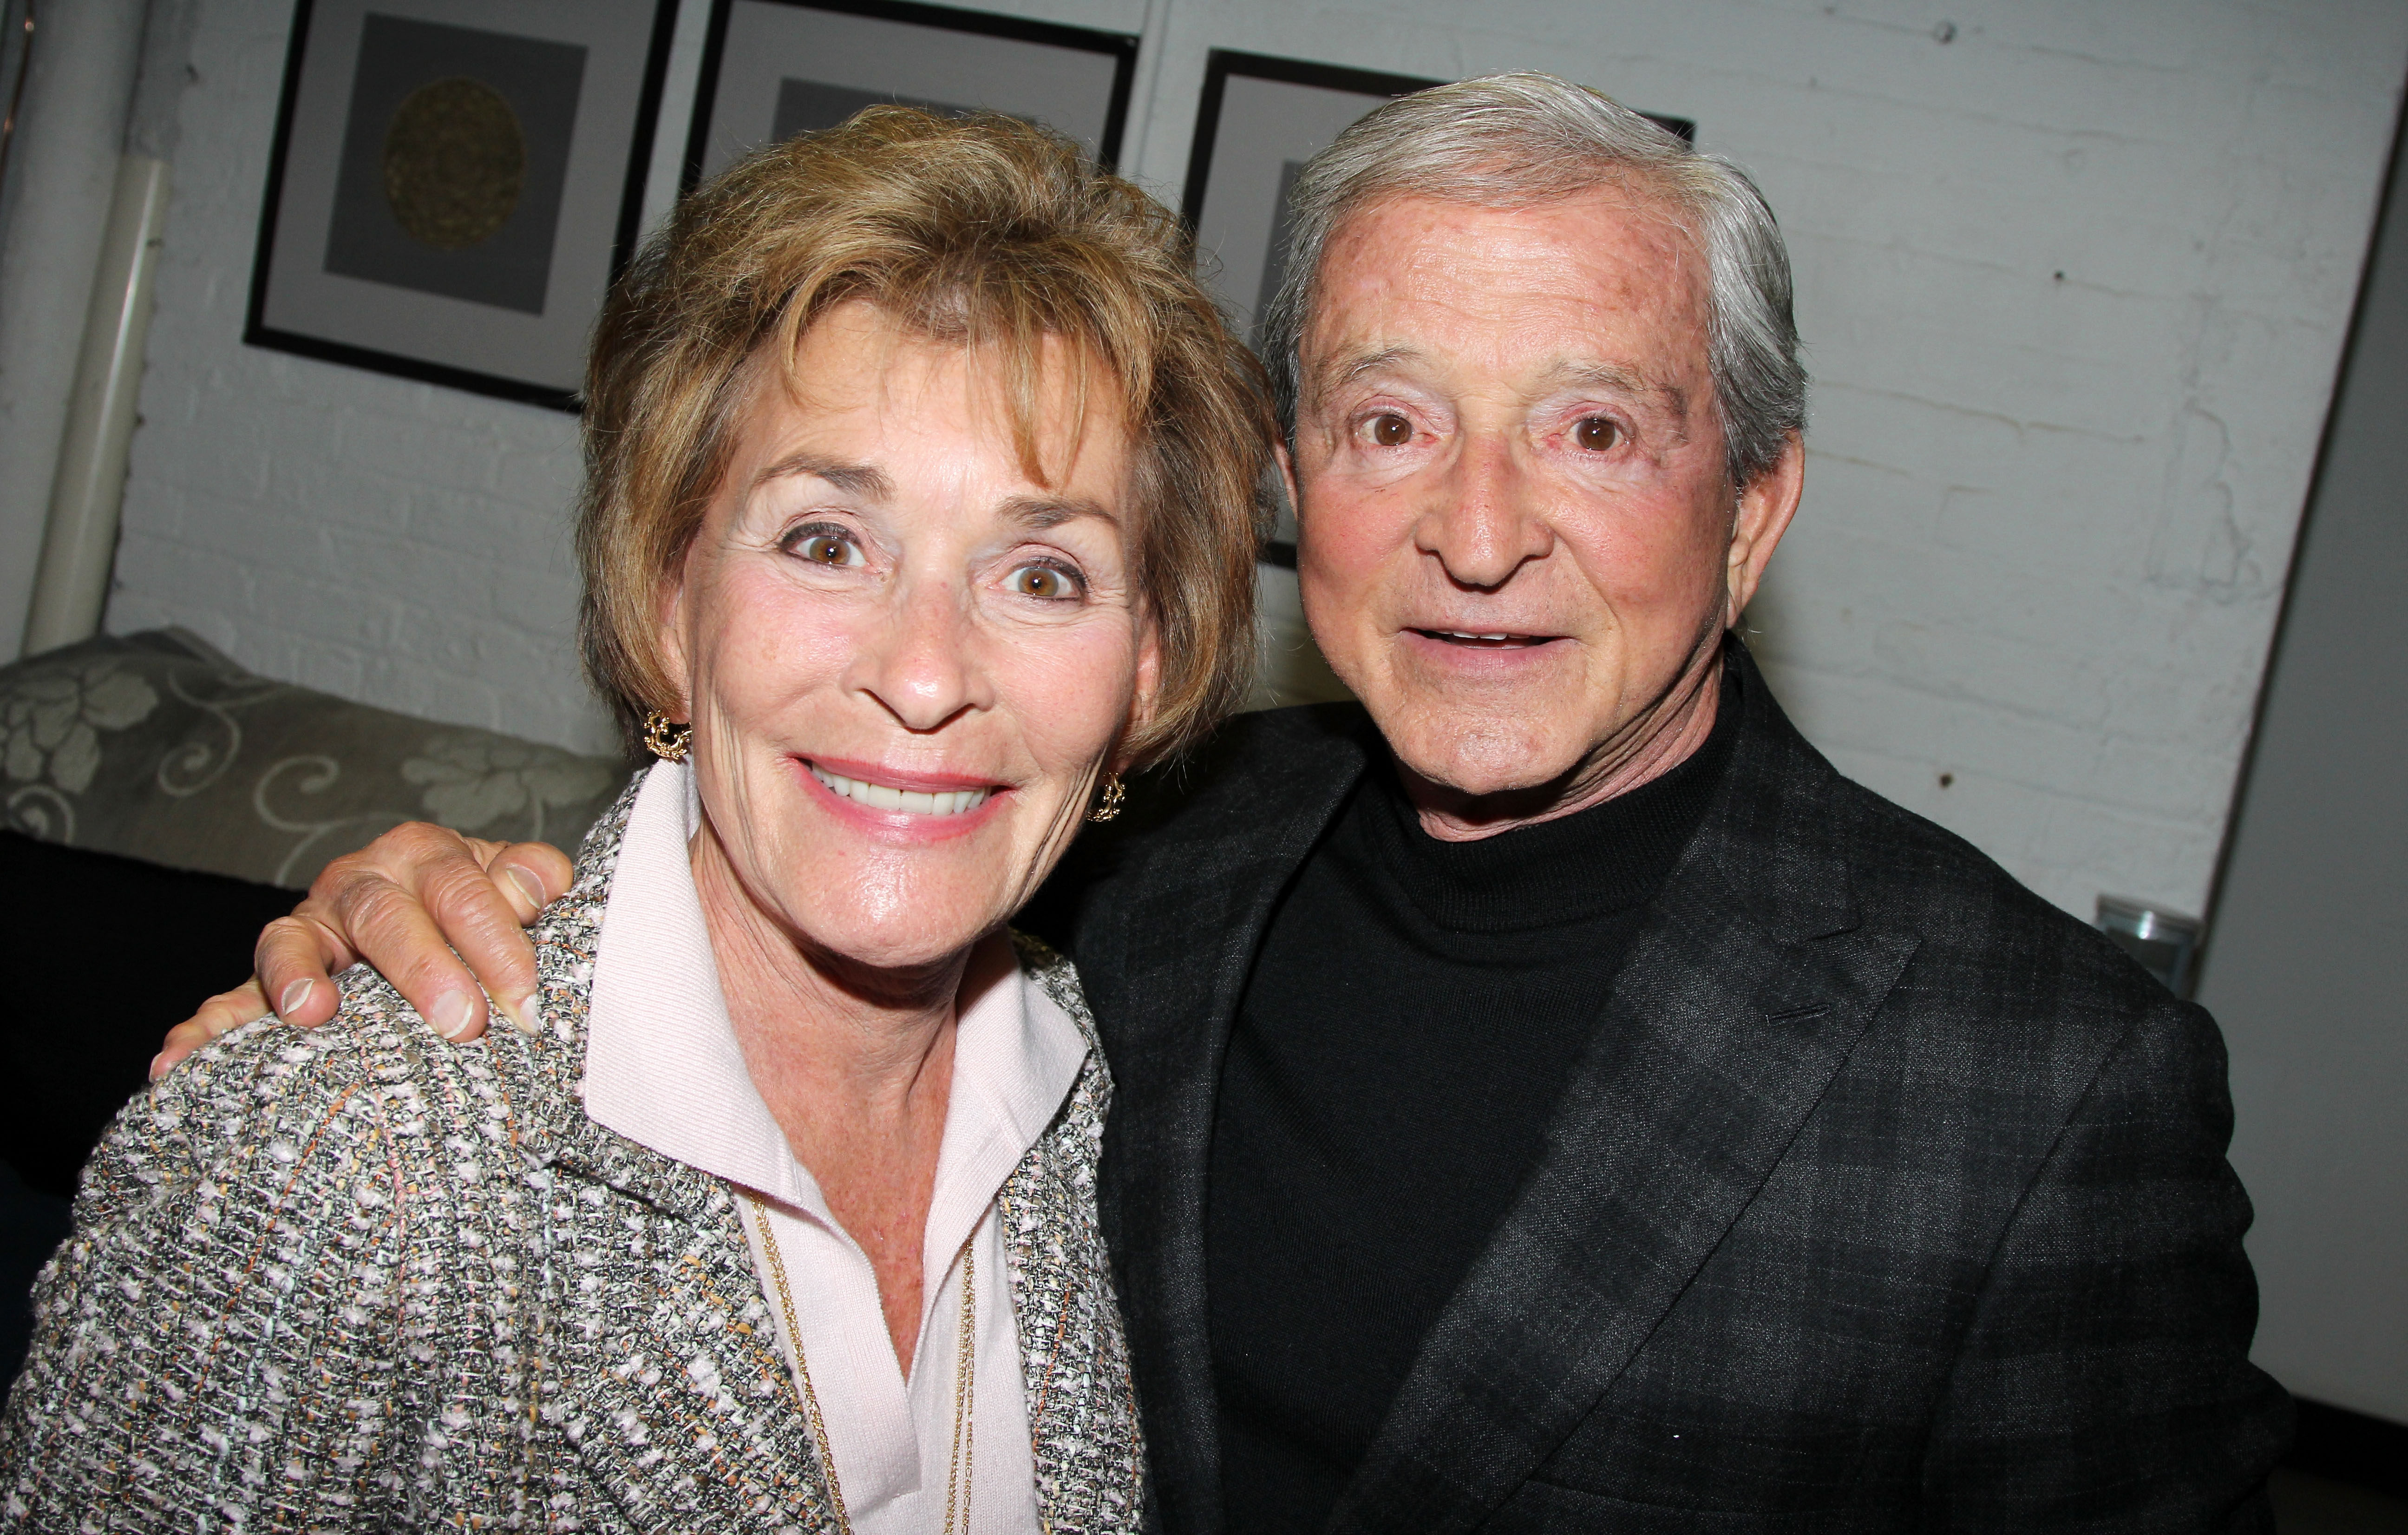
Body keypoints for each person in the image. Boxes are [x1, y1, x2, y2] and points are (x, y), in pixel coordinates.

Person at [160, 75, 2289, 1531]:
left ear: (1750, 516)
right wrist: (419, 905)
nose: (1475, 531)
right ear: (1287, 490)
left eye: (1592, 432)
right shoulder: (1149, 850)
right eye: (1390, 419)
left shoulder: (2044, 1094)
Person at [4, 107, 1275, 1529]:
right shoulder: (335, 1168)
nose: (925, 675)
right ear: (671, 601)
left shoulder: (1085, 1091)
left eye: (1042, 574)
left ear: (1146, 665)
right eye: (825, 540)